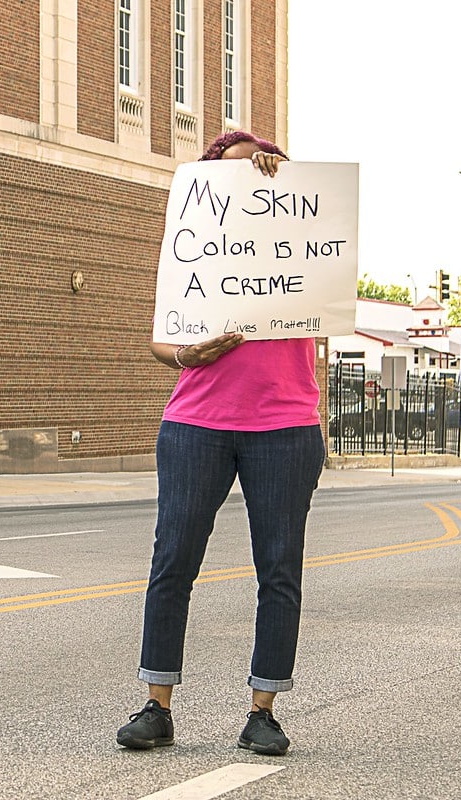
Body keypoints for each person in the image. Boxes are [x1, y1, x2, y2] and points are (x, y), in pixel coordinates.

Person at [116, 131, 326, 756]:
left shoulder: (299, 247)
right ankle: (156, 705)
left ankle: (264, 708)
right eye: (228, 175)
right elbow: (162, 341)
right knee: (172, 561)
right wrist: (186, 353)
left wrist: (283, 184)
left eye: (254, 169)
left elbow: (331, 261)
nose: (244, 181)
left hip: (285, 425)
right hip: (196, 423)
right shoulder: (194, 249)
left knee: (279, 568)